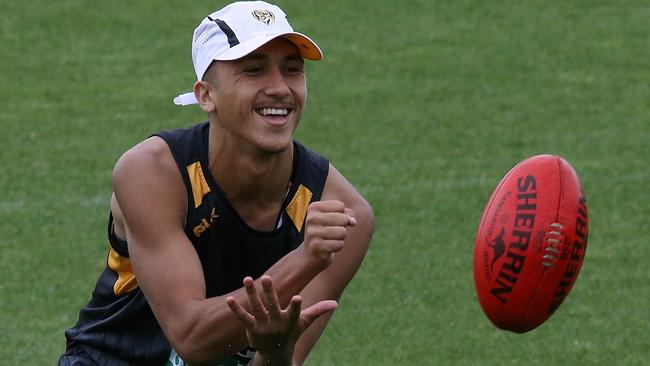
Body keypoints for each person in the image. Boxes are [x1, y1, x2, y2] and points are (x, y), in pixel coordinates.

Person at [59, 1, 374, 365]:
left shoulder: (343, 214)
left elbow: (276, 362)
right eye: (254, 71)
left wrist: (274, 351)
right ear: (205, 95)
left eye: (292, 70)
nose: (280, 88)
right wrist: (305, 259)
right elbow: (190, 337)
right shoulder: (153, 172)